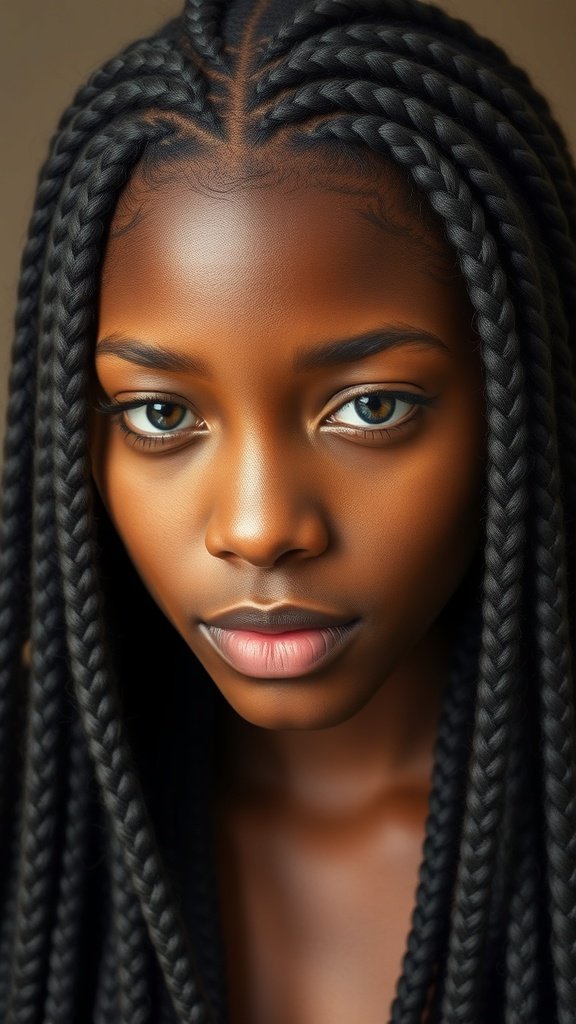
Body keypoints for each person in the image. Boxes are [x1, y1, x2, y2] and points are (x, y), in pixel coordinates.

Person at [1, 0, 575, 1021]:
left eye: (372, 407)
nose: (260, 527)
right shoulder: (29, 851)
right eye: (161, 413)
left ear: (520, 395)